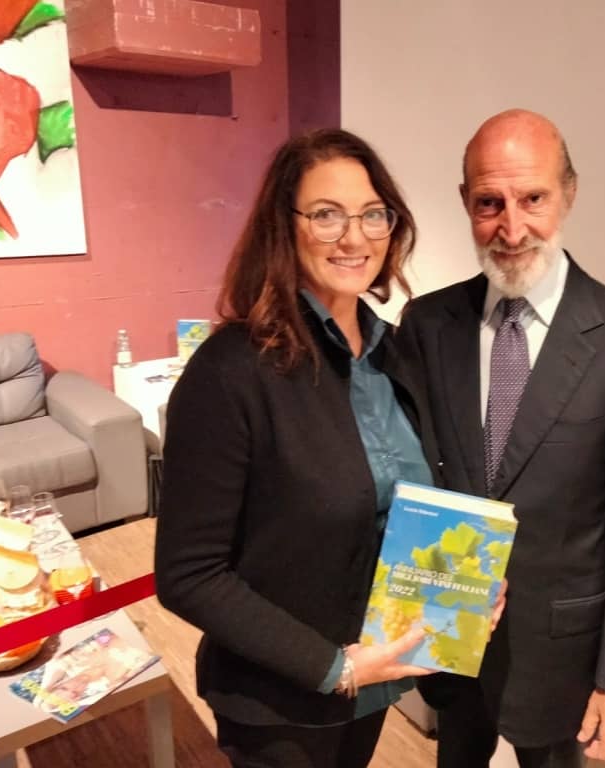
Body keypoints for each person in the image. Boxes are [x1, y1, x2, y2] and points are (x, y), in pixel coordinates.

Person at [399, 109, 605, 767]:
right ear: (465, 202)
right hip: (450, 636)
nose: (511, 227)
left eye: (533, 199)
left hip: (562, 654)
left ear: (569, 194)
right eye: (489, 203)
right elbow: (417, 473)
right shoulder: (427, 323)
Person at [154, 128, 440, 768]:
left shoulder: (395, 354)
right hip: (280, 701)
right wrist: (335, 667)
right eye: (326, 215)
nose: (355, 237)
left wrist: (466, 587)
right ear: (284, 227)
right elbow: (188, 575)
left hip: (375, 678)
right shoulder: (230, 372)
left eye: (373, 214)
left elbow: (401, 512)